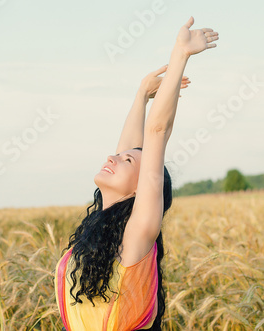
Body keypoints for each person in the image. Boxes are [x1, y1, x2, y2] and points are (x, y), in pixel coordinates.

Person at [54, 16, 219, 331]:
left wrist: (179, 55)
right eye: (117, 155)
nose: (112, 157)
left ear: (139, 190)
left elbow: (156, 132)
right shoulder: (97, 231)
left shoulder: (136, 236)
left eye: (125, 162)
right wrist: (141, 95)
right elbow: (131, 148)